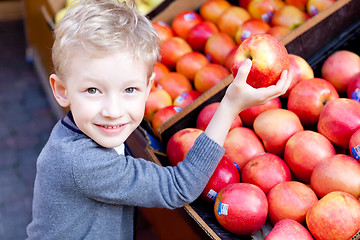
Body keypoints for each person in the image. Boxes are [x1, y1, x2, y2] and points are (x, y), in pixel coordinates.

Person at [26, 0, 291, 239]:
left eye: (129, 90)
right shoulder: (82, 162)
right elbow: (179, 187)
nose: (112, 110)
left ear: (148, 86)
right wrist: (231, 104)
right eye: (92, 90)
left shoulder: (85, 132)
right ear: (62, 91)